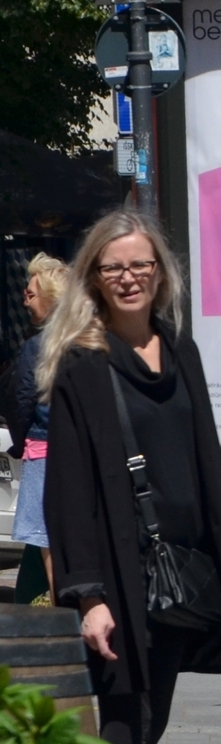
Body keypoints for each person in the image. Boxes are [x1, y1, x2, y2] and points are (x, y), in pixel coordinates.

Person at [42, 211, 221, 744]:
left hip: (179, 573)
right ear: (94, 279)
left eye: (142, 265)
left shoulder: (180, 350)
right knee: (125, 724)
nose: (130, 277)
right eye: (114, 267)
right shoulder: (84, 365)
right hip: (123, 580)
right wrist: (89, 595)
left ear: (160, 273)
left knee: (145, 726)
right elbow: (66, 491)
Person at [7, 255, 68, 601]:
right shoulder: (91, 339)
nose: (25, 300)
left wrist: (22, 442)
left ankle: (67, 618)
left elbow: (21, 402)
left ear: (51, 298)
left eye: (31, 294)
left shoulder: (37, 346)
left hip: (43, 455)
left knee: (46, 546)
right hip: (82, 456)